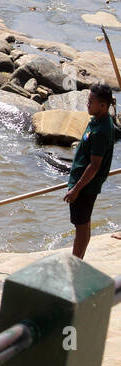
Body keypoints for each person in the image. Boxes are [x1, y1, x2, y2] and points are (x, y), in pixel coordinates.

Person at [64, 83, 115, 259]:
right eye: (88, 100)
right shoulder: (99, 120)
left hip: (85, 187)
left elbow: (94, 166)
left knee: (81, 226)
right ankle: (78, 262)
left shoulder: (101, 130)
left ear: (103, 105)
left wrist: (75, 189)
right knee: (83, 225)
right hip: (83, 183)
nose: (87, 104)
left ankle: (75, 264)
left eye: (91, 101)